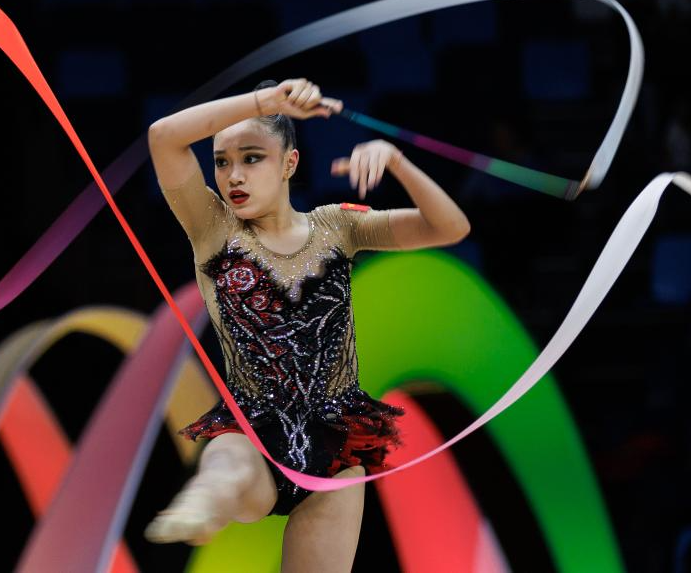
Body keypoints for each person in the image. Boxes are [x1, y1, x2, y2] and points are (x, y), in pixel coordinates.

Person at [143, 78, 470, 569]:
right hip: (252, 433)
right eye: (222, 162)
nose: (234, 176)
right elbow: (164, 136)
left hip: (336, 449)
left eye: (252, 158)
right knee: (226, 469)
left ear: (289, 163)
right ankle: (204, 504)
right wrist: (265, 102)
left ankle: (210, 499)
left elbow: (449, 226)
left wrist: (396, 161)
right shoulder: (212, 227)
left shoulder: (339, 226)